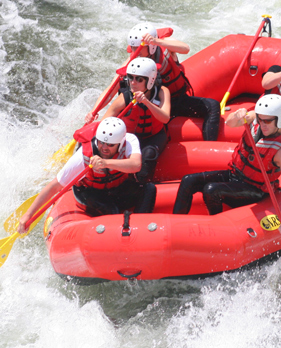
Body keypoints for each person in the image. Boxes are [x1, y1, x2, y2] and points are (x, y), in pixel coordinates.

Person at [173, 94, 281, 239]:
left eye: (268, 121)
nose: (263, 124)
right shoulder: (255, 118)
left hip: (255, 189)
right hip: (235, 175)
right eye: (260, 119)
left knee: (211, 190)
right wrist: (237, 115)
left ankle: (217, 232)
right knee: (188, 180)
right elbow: (229, 123)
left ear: (280, 119)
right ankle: (177, 227)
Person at [86, 22, 221, 141]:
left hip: (176, 100)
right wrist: (93, 112)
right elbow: (111, 89)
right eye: (132, 47)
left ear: (150, 47)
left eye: (138, 47)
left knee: (213, 106)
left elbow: (185, 49)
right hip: (151, 106)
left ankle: (209, 145)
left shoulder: (165, 46)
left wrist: (157, 42)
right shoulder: (132, 62)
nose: (134, 51)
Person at [17, 117, 155, 234]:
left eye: (110, 145)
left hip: (117, 187)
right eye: (101, 142)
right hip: (90, 193)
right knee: (112, 210)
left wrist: (105, 163)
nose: (104, 148)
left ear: (120, 144)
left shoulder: (130, 141)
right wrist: (28, 215)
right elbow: (55, 186)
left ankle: (140, 228)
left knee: (149, 189)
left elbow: (136, 165)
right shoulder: (83, 157)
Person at [102, 57, 170, 184]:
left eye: (139, 79)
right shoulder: (125, 97)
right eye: (130, 77)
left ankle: (142, 186)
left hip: (154, 137)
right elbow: (105, 120)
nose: (133, 82)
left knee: (148, 154)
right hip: (130, 138)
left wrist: (146, 102)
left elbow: (165, 118)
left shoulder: (162, 92)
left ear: (150, 80)